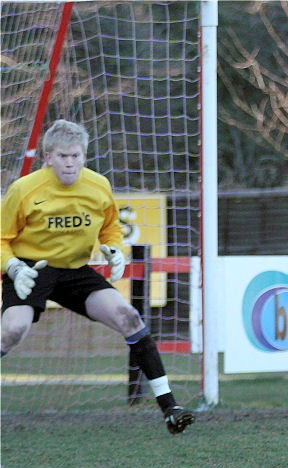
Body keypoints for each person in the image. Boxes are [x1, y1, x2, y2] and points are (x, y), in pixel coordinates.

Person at [1, 120, 195, 434]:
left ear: (85, 156)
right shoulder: (24, 189)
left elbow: (111, 229)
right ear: (48, 157)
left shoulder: (98, 186)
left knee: (129, 317)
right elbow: (1, 238)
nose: (70, 162)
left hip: (75, 270)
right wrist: (13, 267)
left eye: (76, 156)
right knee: (13, 331)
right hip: (31, 269)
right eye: (63, 155)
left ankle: (170, 408)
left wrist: (115, 249)